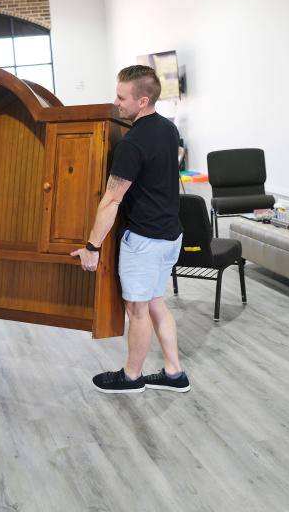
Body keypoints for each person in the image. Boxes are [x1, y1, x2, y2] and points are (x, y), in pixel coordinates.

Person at [71, 65, 189, 394]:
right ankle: (173, 372)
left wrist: (92, 247)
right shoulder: (167, 129)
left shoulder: (133, 143)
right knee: (154, 302)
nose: (116, 102)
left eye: (122, 97)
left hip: (146, 241)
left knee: (137, 310)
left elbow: (111, 200)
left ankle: (132, 377)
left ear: (143, 100)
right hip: (170, 236)